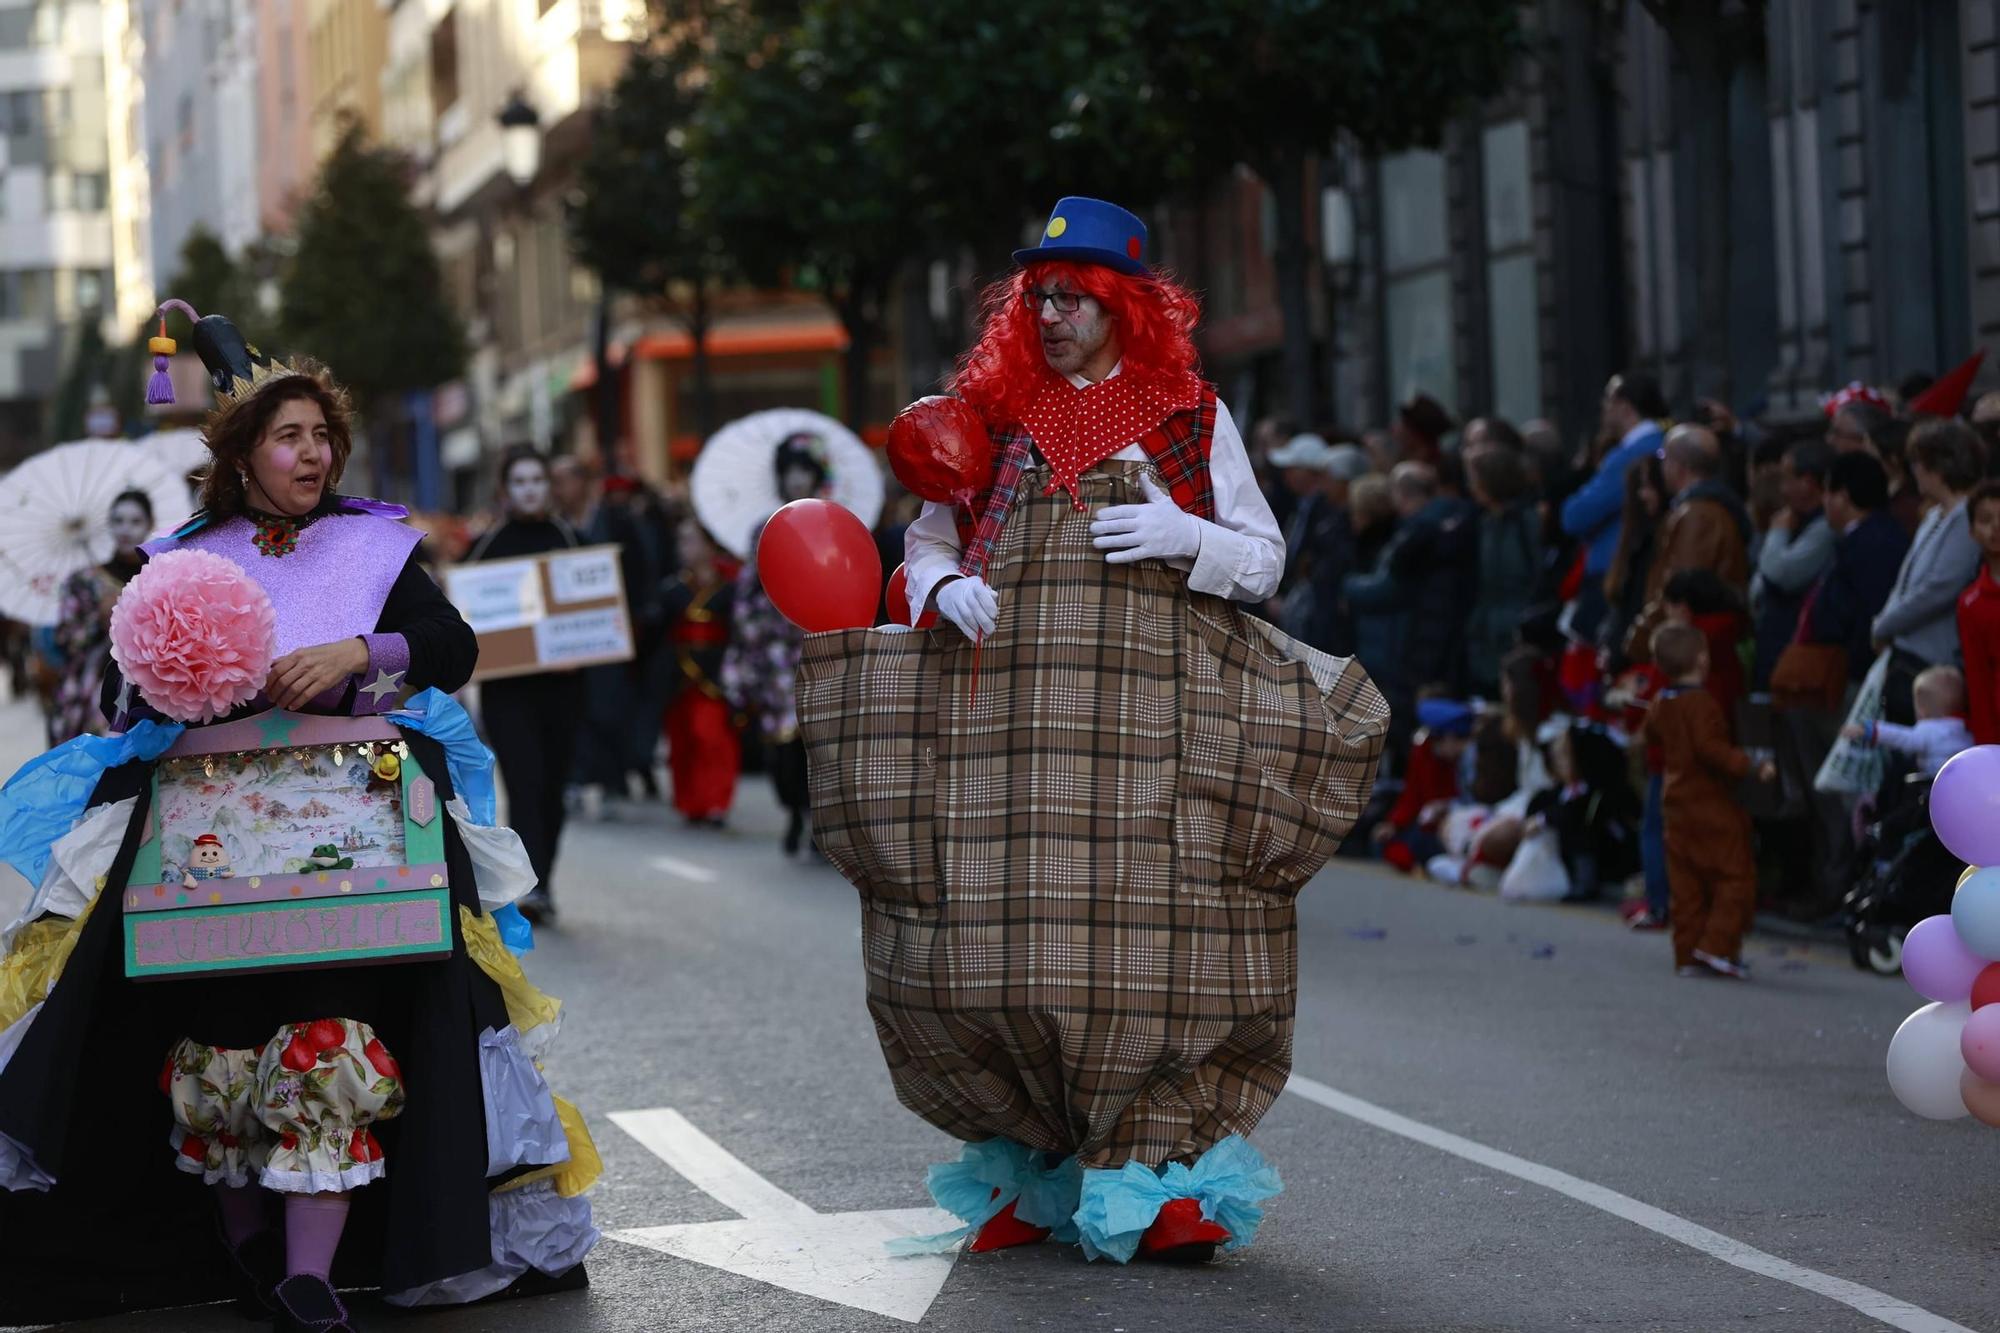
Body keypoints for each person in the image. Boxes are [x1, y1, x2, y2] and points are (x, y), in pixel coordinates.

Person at [807, 197, 1387, 1263]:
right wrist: (936, 591)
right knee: (991, 955)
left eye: (1075, 296)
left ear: (1125, 305)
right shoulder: (982, 421)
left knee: (1150, 961)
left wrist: (1185, 534)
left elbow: (1263, 562)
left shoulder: (1191, 417)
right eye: (1040, 297)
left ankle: (1153, 1173)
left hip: (1151, 751)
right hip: (1005, 753)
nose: (1054, 314)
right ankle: (1034, 1164)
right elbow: (924, 540)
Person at [0, 313, 594, 1327]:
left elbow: (449, 647)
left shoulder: (374, 543)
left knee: (339, 1032)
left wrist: (361, 652)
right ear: (242, 457)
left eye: (322, 434)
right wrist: (193, 680)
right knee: (221, 1043)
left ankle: (313, 1272)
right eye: (288, 436)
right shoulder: (184, 556)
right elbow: (121, 691)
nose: (311, 452)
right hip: (208, 844)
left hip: (355, 833)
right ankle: (243, 1245)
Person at [463, 446, 584, 923]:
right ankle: (530, 888)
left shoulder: (570, 539)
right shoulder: (487, 547)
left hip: (564, 691)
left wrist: (579, 655)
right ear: (505, 490)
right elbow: (465, 617)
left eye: (537, 480)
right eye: (520, 481)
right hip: (508, 694)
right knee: (526, 784)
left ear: (548, 487)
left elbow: (596, 615)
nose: (529, 489)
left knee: (553, 789)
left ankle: (544, 882)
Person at [1644, 621, 1777, 978]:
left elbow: (1650, 735)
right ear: (1702, 661)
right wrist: (1751, 766)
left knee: (1686, 887)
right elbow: (1711, 749)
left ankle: (1687, 953)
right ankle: (1717, 946)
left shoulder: (1662, 702)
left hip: (1675, 805)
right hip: (1709, 804)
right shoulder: (1701, 704)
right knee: (1734, 875)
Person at [720, 437, 828, 860]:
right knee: (784, 745)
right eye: (791, 470)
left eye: (805, 470)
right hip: (777, 653)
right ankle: (795, 812)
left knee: (822, 741)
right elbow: (749, 592)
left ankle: (820, 820)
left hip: (821, 643)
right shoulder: (764, 527)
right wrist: (751, 642)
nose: (798, 478)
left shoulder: (835, 523)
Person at [1871, 419, 1984, 726]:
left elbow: (1939, 588)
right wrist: (1885, 621)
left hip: (1935, 663)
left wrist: (1884, 625)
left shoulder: (1966, 519)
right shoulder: (1934, 514)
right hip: (1905, 655)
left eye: (1918, 462)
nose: (1914, 471)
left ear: (1939, 465)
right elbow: (1906, 580)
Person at [1622, 425, 1751, 664]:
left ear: (1678, 465)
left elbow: (1677, 591)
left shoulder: (1696, 515)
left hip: (1687, 651)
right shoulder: (1702, 509)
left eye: (1663, 457)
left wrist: (1637, 642)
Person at [1561, 372, 1669, 639]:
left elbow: (1575, 516)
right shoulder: (1658, 444)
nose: (1603, 409)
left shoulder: (1632, 454)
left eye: (1608, 401)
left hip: (1614, 570)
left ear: (1624, 406)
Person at [49, 489, 153, 744]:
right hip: (93, 695)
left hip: (151, 692)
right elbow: (64, 639)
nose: (125, 529)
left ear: (150, 524)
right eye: (118, 521)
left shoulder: (158, 575)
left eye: (135, 521)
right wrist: (98, 619)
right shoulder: (84, 581)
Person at [659, 520, 739, 826]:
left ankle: (716, 801)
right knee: (682, 740)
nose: (684, 548)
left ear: (709, 545)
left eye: (691, 541)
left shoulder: (729, 588)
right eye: (681, 541)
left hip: (715, 672)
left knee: (713, 738)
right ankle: (690, 802)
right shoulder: (672, 588)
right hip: (679, 674)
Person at [1751, 439, 1836, 691]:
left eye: (1787, 479)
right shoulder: (1797, 521)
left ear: (1807, 483)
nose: (1783, 490)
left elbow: (1780, 574)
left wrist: (1776, 534)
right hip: (1776, 644)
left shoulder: (1824, 528)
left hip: (1797, 652)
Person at [1464, 447, 1540, 699]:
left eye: (1475, 478)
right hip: (1487, 634)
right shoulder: (1485, 524)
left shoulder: (1525, 522)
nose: (1470, 485)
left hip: (1517, 630)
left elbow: (1537, 574)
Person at [1842, 665, 1973, 777]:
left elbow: (1904, 738)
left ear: (1922, 710)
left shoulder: (1929, 729)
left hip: (1937, 781)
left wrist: (1873, 730)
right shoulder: (1964, 728)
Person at [1600, 452, 1667, 669]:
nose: (1642, 494)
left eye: (1649, 486)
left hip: (1641, 658)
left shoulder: (1657, 542)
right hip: (1624, 655)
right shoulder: (1634, 542)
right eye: (1639, 487)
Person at [1959, 481, 2000, 745]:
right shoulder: (1970, 603)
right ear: (1972, 531)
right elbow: (1978, 681)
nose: (1996, 527)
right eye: (1986, 520)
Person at [1393, 392, 1456, 467]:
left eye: (1404, 423)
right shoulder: (1400, 460)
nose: (1395, 428)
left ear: (1414, 433)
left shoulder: (1443, 469)